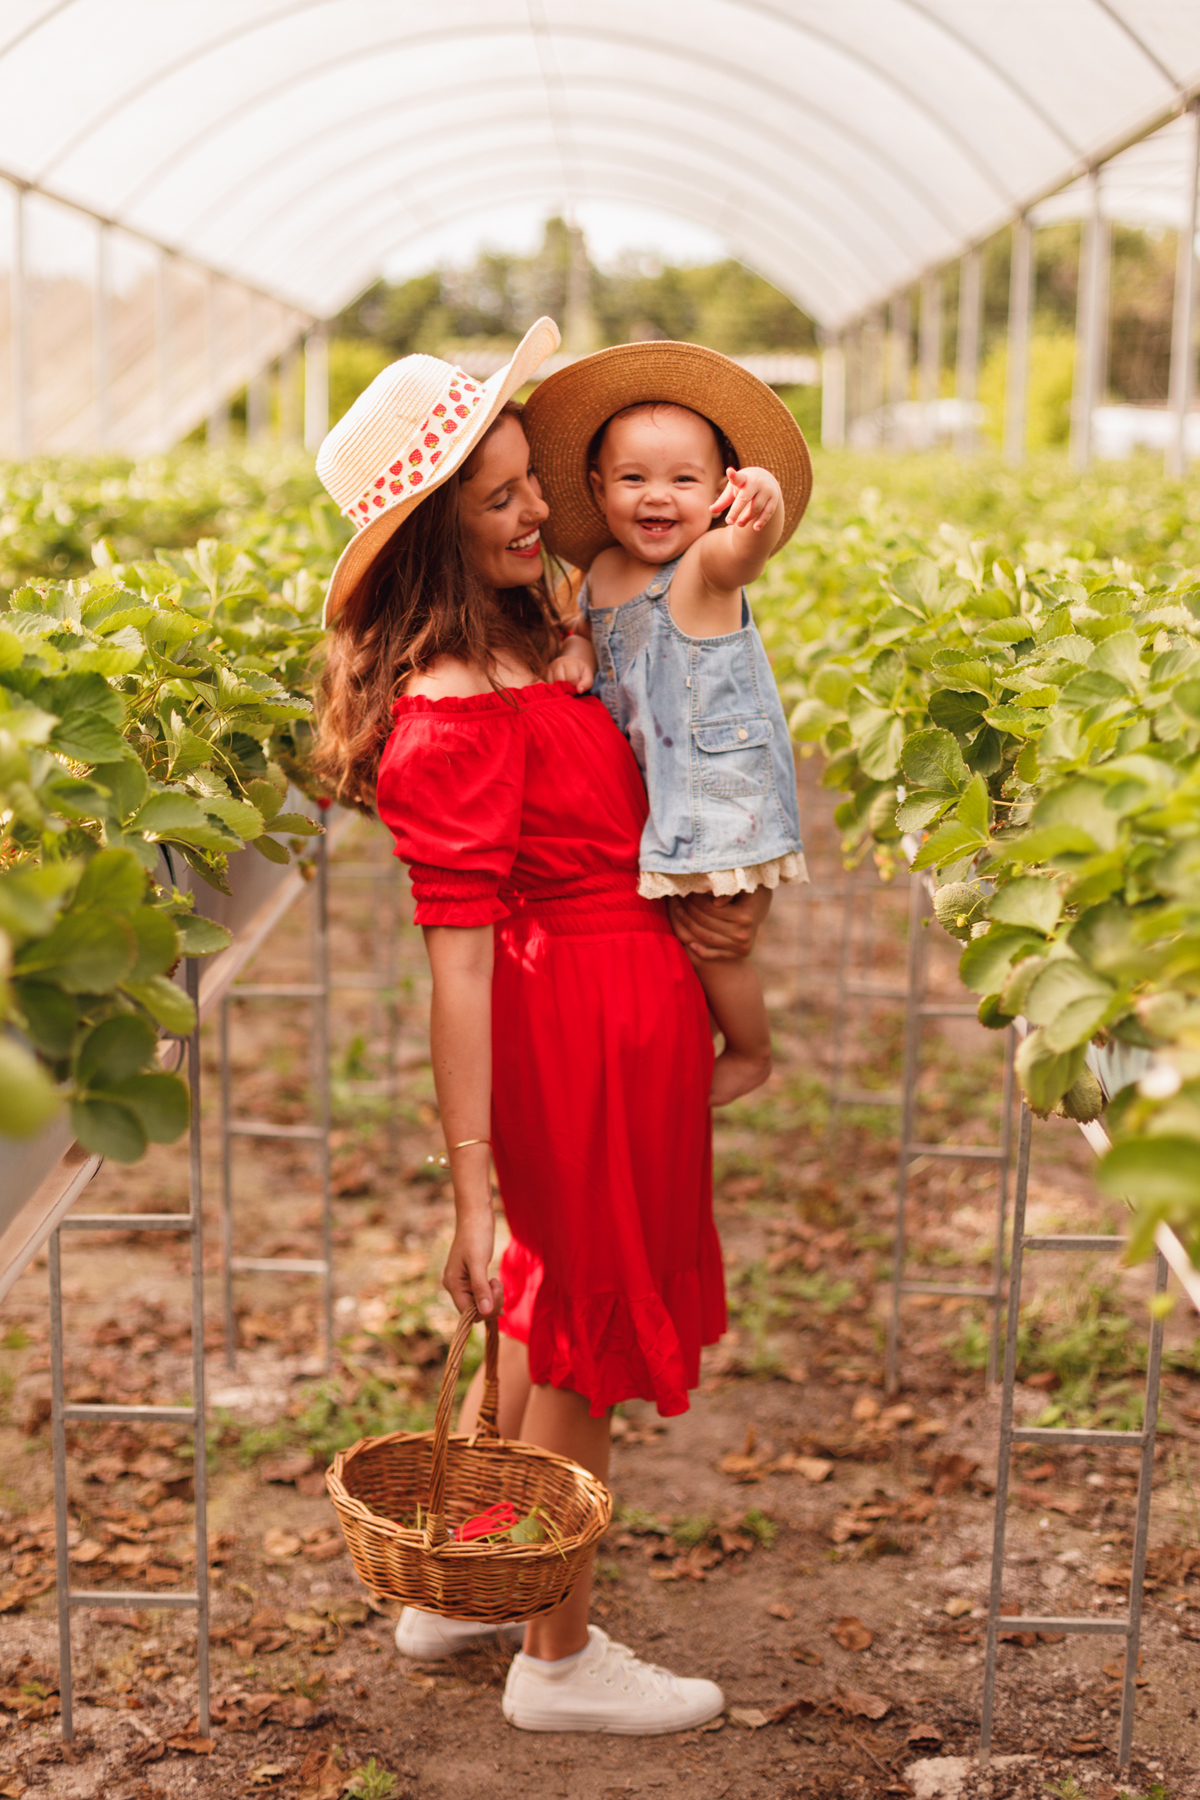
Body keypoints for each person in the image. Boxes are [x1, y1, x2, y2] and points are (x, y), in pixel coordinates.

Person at [313, 321, 766, 1734]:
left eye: (528, 481)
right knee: (569, 1331)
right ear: (437, 538)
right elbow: (455, 971)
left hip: (617, 1004)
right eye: (501, 497)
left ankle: (464, 1589)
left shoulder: (533, 646)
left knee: (545, 1312)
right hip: (567, 1023)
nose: (537, 511)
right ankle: (557, 1661)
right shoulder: (450, 715)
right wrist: (469, 1184)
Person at [523, 344, 812, 1104]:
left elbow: (748, 552)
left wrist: (766, 501)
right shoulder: (597, 572)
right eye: (633, 479)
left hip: (718, 793)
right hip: (654, 793)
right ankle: (680, 1042)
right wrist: (578, 642)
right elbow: (573, 622)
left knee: (714, 943)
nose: (659, 498)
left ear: (719, 490)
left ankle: (750, 1051)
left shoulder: (706, 567)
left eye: (684, 480)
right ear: (597, 488)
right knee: (673, 944)